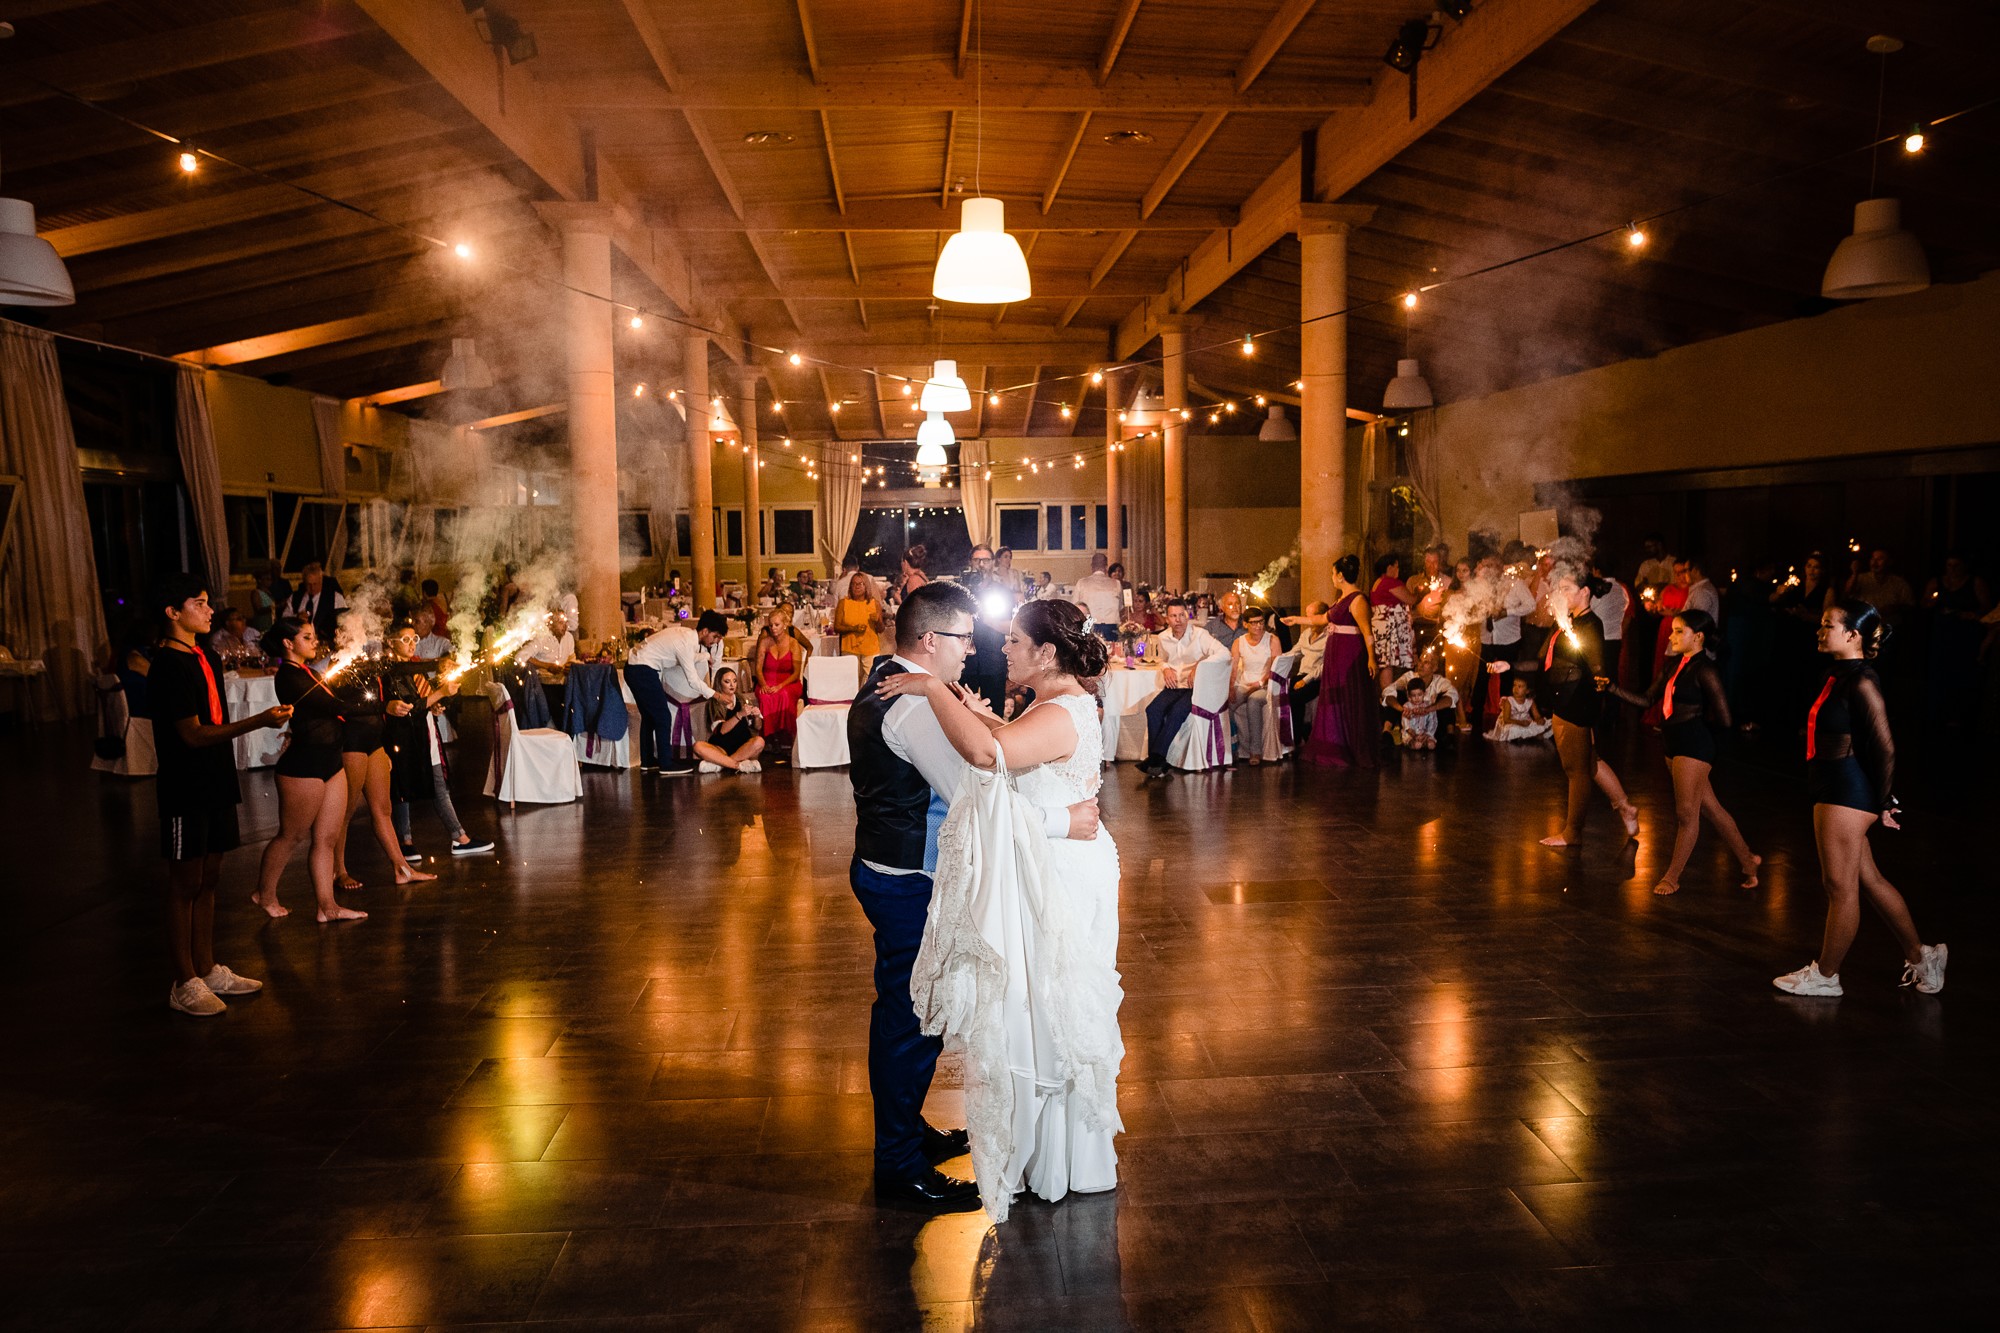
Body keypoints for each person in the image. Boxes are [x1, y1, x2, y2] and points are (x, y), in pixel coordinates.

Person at [844, 582, 1103, 1214]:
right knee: (912, 1020)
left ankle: (910, 1135)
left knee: (915, 1014)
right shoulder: (909, 705)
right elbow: (980, 793)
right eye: (964, 639)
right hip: (910, 879)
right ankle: (898, 1163)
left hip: (892, 868)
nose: (973, 651)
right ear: (931, 641)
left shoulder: (894, 681)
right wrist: (1060, 819)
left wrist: (976, 716)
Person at [1774, 601, 1946, 998]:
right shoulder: (1837, 673)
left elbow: (1884, 744)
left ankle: (1827, 975)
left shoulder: (1863, 680)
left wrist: (1885, 800)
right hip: (1832, 786)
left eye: (1828, 625)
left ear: (1852, 634)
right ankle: (1923, 956)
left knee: (1839, 885)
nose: (1820, 630)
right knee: (1868, 879)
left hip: (1847, 791)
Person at [148, 576, 293, 1015]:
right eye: (199, 603)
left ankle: (207, 967)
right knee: (185, 881)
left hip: (215, 779)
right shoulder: (168, 665)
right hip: (185, 784)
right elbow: (192, 735)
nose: (209, 611)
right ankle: (183, 979)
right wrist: (259, 721)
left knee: (210, 878)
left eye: (209, 603)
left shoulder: (205, 656)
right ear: (173, 612)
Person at [1608, 610, 1759, 895]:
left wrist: (1701, 744)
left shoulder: (1706, 669)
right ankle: (1748, 860)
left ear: (1698, 637)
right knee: (1712, 809)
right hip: (1673, 745)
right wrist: (1612, 688)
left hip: (1693, 746)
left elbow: (1725, 718)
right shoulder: (1674, 665)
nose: (1671, 636)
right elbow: (1646, 699)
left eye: (1679, 631)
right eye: (1673, 630)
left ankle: (1672, 877)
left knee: (1687, 814)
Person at [252, 617, 369, 923]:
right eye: (307, 637)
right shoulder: (290, 677)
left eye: (314, 635)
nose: (315, 641)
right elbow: (336, 706)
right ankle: (264, 894)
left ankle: (327, 907)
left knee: (326, 839)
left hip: (330, 762)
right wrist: (383, 705)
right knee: (290, 836)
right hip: (303, 767)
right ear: (288, 644)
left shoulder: (306, 671)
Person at [328, 629, 436, 893]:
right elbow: (345, 707)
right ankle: (338, 871)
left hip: (375, 742)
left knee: (383, 808)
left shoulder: (367, 661)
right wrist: (383, 707)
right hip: (352, 742)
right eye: (344, 629)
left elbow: (395, 672)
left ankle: (402, 869)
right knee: (346, 812)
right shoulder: (338, 666)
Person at [1535, 576, 1638, 847]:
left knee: (1576, 771)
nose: (1561, 593)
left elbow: (1597, 670)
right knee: (1591, 762)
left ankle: (1572, 833)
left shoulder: (1590, 624)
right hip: (1566, 701)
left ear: (1585, 592)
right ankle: (1625, 806)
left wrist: (1599, 690)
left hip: (1575, 705)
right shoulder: (1568, 621)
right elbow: (1547, 659)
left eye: (1566, 588)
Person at [382, 622, 492, 859]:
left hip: (426, 734)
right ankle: (407, 841)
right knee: (403, 790)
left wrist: (439, 700)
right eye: (405, 640)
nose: (412, 644)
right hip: (405, 738)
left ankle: (458, 837)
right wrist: (440, 692)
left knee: (439, 788)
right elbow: (411, 707)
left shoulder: (414, 667)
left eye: (414, 639)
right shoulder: (392, 670)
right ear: (391, 643)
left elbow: (424, 698)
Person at [1290, 556, 1378, 768]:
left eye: (1332, 573)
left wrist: (1372, 658)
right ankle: (1332, 742)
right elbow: (1322, 619)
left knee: (1348, 698)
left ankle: (1348, 745)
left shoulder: (1357, 600)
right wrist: (1296, 620)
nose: (1331, 577)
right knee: (1334, 698)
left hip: (1349, 655)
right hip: (1336, 655)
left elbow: (1367, 632)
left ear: (1340, 575)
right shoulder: (1341, 598)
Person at [1136, 599, 1228, 776]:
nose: (1178, 619)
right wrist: (1165, 668)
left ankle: (1155, 759)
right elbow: (1161, 659)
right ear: (1167, 619)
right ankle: (1158, 761)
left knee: (1176, 712)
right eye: (1173, 616)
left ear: (1187, 615)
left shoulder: (1200, 635)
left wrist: (1199, 666)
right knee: (1152, 710)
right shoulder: (1163, 637)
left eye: (1181, 615)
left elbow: (1224, 653)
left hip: (1196, 687)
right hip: (1174, 686)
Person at [627, 610, 726, 773]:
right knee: (663, 716)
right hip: (642, 670)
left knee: (650, 716)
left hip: (635, 668)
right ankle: (666, 764)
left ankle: (648, 760)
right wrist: (716, 695)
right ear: (705, 631)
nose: (715, 642)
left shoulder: (686, 636)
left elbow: (686, 657)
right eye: (715, 637)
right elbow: (693, 680)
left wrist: (705, 656)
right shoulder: (685, 642)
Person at [1923, 552, 1993, 735]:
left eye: (1956, 565)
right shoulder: (1937, 582)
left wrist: (1972, 615)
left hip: (1965, 633)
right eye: (1949, 565)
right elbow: (1925, 603)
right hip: (1942, 631)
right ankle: (1938, 713)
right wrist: (1932, 602)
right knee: (1940, 671)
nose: (1952, 569)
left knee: (1962, 672)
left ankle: (1959, 715)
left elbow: (1987, 607)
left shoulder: (1975, 582)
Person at [752, 601, 814, 749]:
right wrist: (764, 684)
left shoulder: (793, 643)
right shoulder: (765, 642)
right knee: (765, 696)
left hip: (788, 682)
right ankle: (769, 738)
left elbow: (796, 673)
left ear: (785, 624)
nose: (773, 628)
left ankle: (786, 736)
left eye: (777, 625)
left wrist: (780, 685)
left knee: (784, 695)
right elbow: (758, 669)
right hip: (766, 681)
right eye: (771, 625)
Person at [1229, 607, 1278, 764]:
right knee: (1227, 703)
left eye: (1261, 622)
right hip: (1245, 683)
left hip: (1266, 685)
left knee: (1254, 701)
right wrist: (1230, 688)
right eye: (1254, 623)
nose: (1258, 626)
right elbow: (1233, 667)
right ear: (1245, 624)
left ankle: (1255, 752)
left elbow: (1276, 669)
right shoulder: (1239, 642)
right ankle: (1231, 746)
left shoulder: (1272, 640)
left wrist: (1259, 683)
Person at [696, 667, 766, 773]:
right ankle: (737, 765)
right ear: (719, 683)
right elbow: (722, 730)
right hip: (721, 748)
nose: (732, 685)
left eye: (735, 681)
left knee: (759, 741)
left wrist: (756, 717)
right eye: (727, 682)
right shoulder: (714, 703)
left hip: (743, 746)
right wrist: (739, 715)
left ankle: (722, 764)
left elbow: (757, 727)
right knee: (698, 746)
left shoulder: (742, 700)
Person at [1384, 654, 1458, 750]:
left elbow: (1453, 696)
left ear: (1434, 668)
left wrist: (1429, 709)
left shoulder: (1440, 681)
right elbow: (1388, 691)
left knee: (1446, 700)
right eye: (1420, 661)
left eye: (1426, 662)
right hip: (1410, 723)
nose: (1421, 665)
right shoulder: (1409, 677)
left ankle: (1450, 737)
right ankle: (1386, 732)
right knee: (1396, 695)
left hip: (1432, 725)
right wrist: (1403, 709)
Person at [1369, 553, 1416, 691]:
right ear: (1390, 567)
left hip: (1383, 627)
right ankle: (1387, 696)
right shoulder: (1388, 582)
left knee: (1386, 663)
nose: (1398, 570)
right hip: (1389, 629)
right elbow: (1410, 599)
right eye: (1397, 567)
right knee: (1387, 664)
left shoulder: (1378, 582)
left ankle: (1387, 694)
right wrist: (1420, 593)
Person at [521, 609, 576, 721]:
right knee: (560, 714)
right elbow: (520, 657)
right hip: (544, 685)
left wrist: (570, 666)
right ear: (550, 624)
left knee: (578, 703)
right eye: (560, 623)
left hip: (564, 684)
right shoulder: (541, 639)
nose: (564, 626)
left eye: (565, 622)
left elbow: (572, 658)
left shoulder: (569, 638)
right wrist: (547, 666)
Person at [280, 561, 346, 646]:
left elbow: (344, 622)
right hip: (301, 646)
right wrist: (296, 619)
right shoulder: (295, 598)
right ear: (304, 582)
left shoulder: (335, 598)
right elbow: (283, 622)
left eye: (315, 584)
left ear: (321, 581)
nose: (312, 588)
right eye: (309, 584)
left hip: (327, 645)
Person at [1849, 548, 1916, 627]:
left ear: (1889, 562)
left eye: (1880, 559)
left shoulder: (1899, 583)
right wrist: (1854, 573)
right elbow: (1848, 592)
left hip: (1890, 628)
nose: (1874, 562)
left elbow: (1910, 606)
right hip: (1866, 627)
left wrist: (1895, 608)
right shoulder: (1861, 578)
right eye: (1873, 559)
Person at [834, 572, 886, 660]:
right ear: (850, 586)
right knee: (850, 674)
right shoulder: (843, 603)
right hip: (849, 650)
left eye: (860, 584)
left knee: (871, 674)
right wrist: (853, 628)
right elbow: (837, 627)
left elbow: (881, 629)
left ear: (866, 586)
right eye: (853, 584)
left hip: (870, 650)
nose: (857, 586)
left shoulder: (874, 603)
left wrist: (878, 621)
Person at [1485, 676, 1550, 742]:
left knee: (1544, 724)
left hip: (1525, 721)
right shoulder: (1509, 701)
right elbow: (1506, 719)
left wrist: (1539, 720)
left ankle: (1526, 735)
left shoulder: (1530, 702)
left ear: (1527, 691)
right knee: (1513, 729)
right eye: (1514, 685)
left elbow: (1537, 716)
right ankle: (1522, 736)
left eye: (1520, 686)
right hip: (1512, 721)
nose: (1516, 688)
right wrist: (1520, 723)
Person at [1074, 557, 1123, 642]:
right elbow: (1120, 607)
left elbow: (1075, 607)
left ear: (1092, 566)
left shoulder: (1081, 583)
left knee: (1090, 652)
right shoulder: (1116, 583)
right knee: (1112, 653)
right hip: (1111, 626)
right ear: (1106, 567)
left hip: (1089, 625)